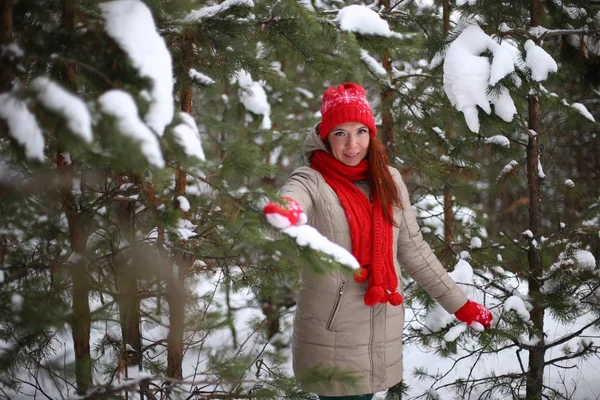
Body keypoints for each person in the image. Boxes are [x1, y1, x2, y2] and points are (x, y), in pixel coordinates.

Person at [263, 83, 492, 400]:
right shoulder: (312, 178)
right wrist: (286, 210)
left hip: (380, 328)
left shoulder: (389, 179)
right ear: (326, 137)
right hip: (332, 333)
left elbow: (414, 251)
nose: (352, 144)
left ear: (371, 133)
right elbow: (294, 196)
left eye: (360, 131)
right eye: (340, 133)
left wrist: (460, 304)